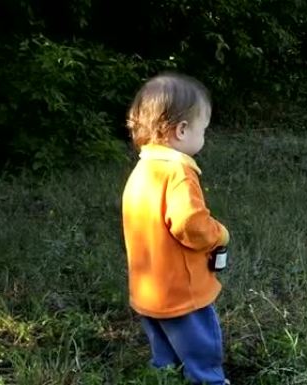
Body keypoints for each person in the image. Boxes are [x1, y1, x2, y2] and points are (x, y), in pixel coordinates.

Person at [122, 72, 231, 385]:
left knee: (164, 351)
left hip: (149, 289)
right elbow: (190, 224)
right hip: (183, 291)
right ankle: (208, 380)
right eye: (203, 130)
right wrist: (219, 233)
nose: (204, 138)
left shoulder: (143, 169)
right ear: (182, 130)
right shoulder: (178, 172)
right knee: (201, 347)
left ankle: (164, 377)